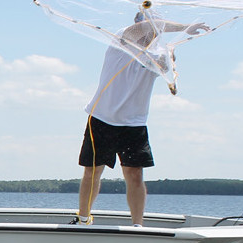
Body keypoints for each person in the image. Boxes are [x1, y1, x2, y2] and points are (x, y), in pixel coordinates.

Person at [73, 13, 208, 227]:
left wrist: (169, 57)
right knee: (92, 170)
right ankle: (83, 219)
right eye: (148, 24)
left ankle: (138, 225)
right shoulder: (121, 39)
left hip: (134, 123)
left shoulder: (158, 52)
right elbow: (146, 27)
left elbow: (166, 69)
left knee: (135, 175)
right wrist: (186, 27)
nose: (152, 30)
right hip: (102, 117)